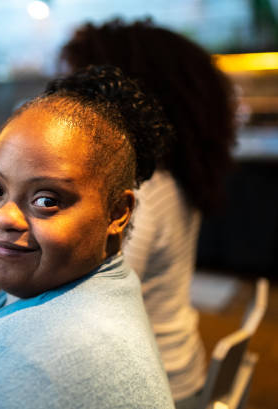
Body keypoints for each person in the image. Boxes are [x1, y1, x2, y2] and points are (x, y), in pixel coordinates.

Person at [0, 66, 175, 409]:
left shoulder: (19, 371)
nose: (3, 217)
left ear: (118, 213)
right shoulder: (97, 284)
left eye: (47, 201)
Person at [59, 19, 237, 408]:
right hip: (181, 367)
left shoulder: (143, 191)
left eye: (84, 85)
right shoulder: (175, 178)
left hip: (154, 389)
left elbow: (92, 304)